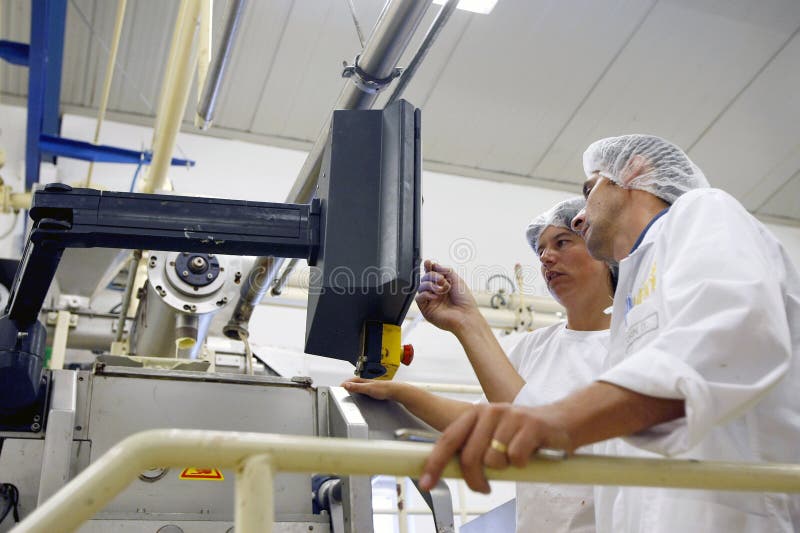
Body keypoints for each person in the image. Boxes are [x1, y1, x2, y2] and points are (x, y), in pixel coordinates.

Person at [418, 134, 800, 532]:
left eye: (589, 190)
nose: (580, 217)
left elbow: (728, 333)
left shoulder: (702, 213)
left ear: (635, 171)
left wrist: (560, 419)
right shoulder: (633, 305)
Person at [344, 197, 615, 532]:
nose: (546, 256)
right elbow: (486, 424)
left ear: (604, 249)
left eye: (562, 242)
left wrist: (468, 321)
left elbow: (533, 429)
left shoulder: (630, 342)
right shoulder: (535, 347)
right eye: (541, 249)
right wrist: (402, 393)